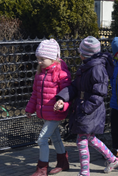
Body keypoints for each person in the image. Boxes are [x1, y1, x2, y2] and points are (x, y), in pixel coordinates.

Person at [55, 36, 118, 176]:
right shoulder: (87, 67)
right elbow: (75, 86)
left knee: (81, 140)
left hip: (90, 110)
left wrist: (85, 108)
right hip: (85, 108)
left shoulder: (96, 68)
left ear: (85, 55)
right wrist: (62, 97)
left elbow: (99, 93)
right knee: (89, 138)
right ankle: (112, 159)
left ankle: (85, 172)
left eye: (81, 52)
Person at [25, 39, 71, 176]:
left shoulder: (61, 74)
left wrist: (62, 104)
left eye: (42, 59)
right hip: (46, 112)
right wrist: (30, 108)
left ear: (53, 58)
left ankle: (42, 168)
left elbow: (68, 93)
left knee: (42, 139)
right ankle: (63, 162)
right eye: (38, 58)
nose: (39, 62)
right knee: (55, 136)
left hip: (55, 112)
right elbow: (35, 93)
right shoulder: (40, 73)